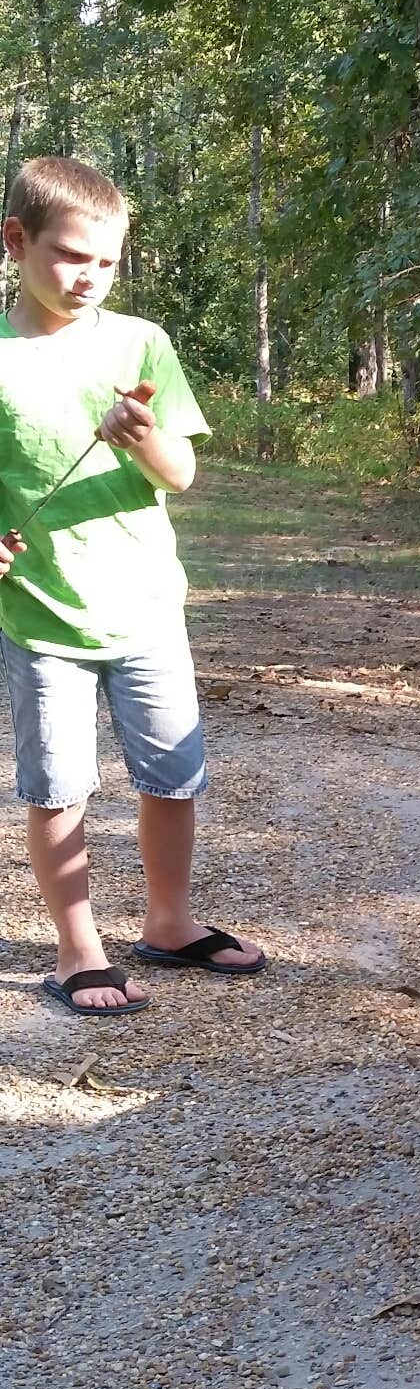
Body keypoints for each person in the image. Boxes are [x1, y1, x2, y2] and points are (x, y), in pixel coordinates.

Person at [0, 154, 263, 1015]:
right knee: (58, 787)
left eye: (108, 262)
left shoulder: (140, 342)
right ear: (16, 241)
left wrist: (141, 435)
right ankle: (79, 950)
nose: (90, 278)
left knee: (172, 775)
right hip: (42, 616)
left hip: (147, 607)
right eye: (72, 256)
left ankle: (170, 922)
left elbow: (179, 471)